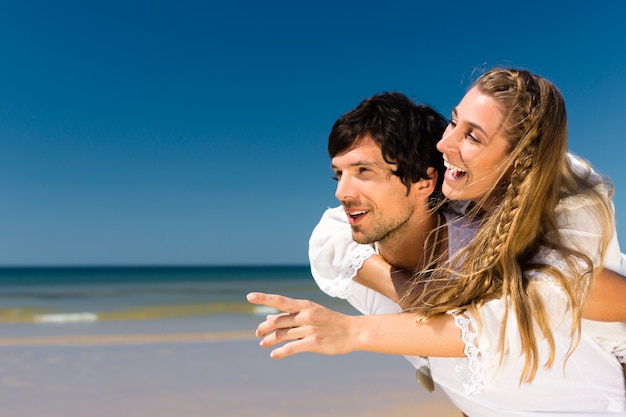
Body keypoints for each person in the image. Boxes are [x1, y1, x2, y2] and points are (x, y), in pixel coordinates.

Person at [248, 68, 626, 416]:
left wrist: (352, 332)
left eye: (472, 135)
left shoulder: (572, 204)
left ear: (517, 161)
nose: (447, 142)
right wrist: (411, 291)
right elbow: (328, 237)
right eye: (455, 121)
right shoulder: (435, 211)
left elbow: (503, 326)